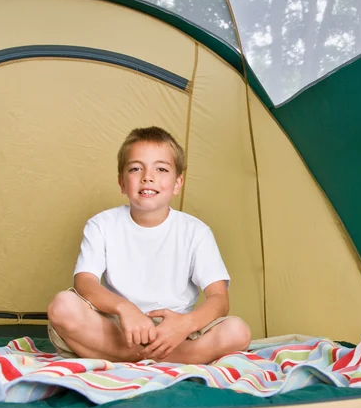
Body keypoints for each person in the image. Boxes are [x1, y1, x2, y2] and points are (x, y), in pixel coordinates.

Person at [47, 126, 251, 364]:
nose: (148, 177)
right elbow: (84, 282)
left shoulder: (196, 232)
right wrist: (125, 308)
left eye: (161, 169)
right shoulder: (101, 225)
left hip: (175, 331)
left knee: (238, 332)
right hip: (119, 326)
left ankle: (122, 356)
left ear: (177, 183)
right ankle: (160, 358)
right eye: (135, 168)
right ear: (122, 183)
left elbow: (219, 298)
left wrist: (186, 324)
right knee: (62, 306)